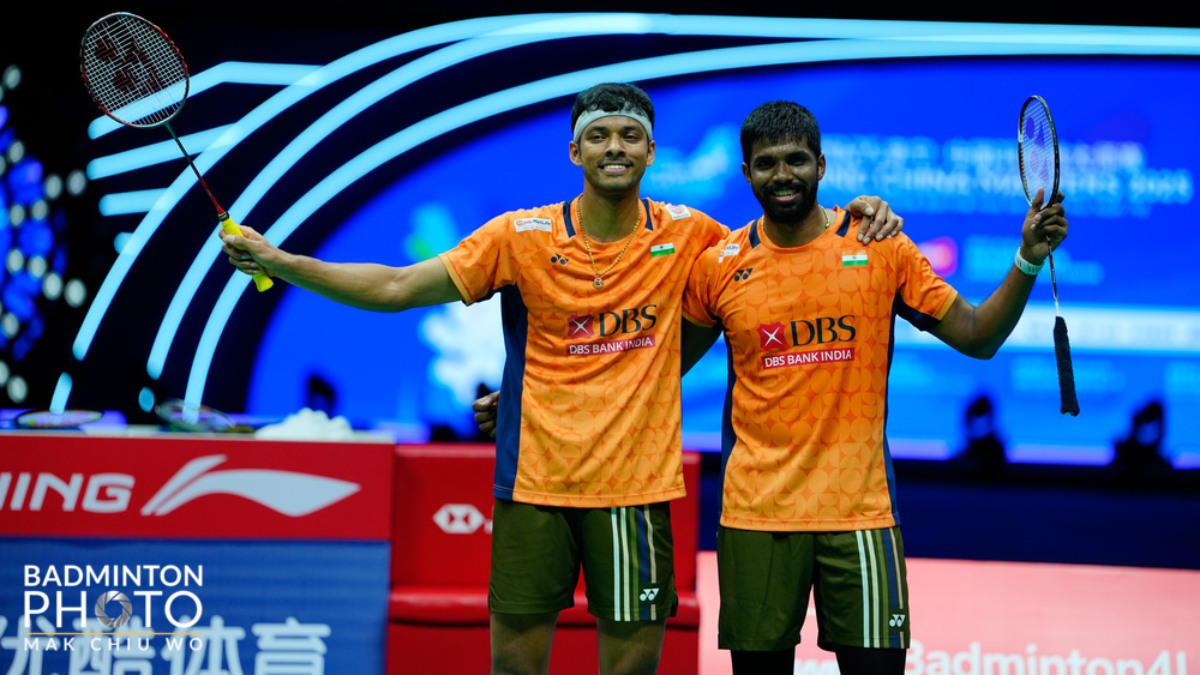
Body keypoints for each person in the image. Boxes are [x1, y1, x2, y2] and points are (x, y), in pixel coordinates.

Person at [220, 83, 901, 675]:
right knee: (514, 664)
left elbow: (783, 248)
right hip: (533, 486)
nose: (615, 147)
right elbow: (398, 284)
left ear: (651, 152)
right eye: (598, 136)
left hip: (636, 494)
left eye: (631, 135)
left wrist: (859, 214)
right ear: (574, 153)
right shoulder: (521, 236)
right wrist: (281, 261)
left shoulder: (692, 235)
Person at [679, 101, 1069, 674]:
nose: (782, 175)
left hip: (859, 515)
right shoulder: (719, 267)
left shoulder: (878, 245)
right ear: (746, 173)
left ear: (822, 165)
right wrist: (522, 393)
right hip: (755, 516)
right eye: (766, 164)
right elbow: (658, 369)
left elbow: (977, 335)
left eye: (796, 160)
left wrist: (1028, 259)